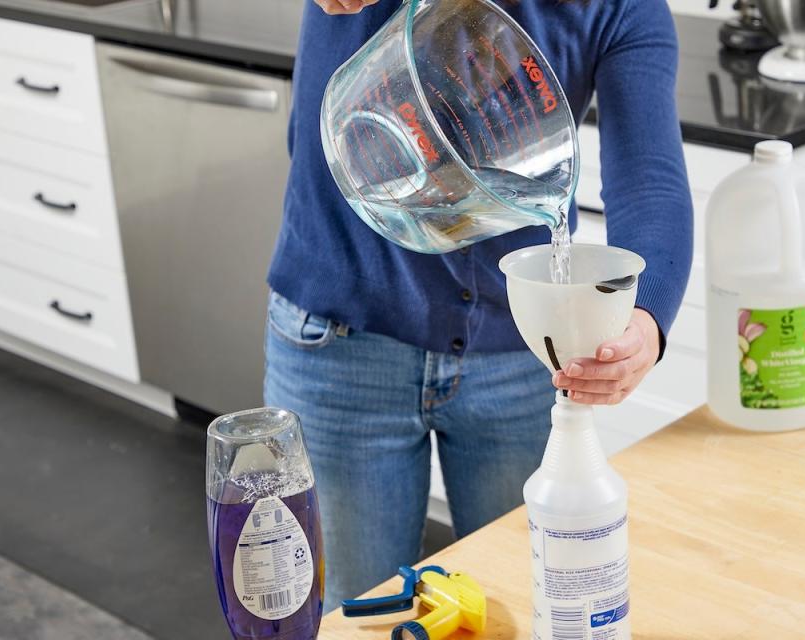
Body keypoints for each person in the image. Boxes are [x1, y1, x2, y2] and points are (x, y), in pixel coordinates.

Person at [265, 0, 692, 611]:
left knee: (527, 604)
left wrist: (646, 319)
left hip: (523, 357)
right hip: (338, 341)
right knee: (348, 614)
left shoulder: (624, 10)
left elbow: (649, 181)